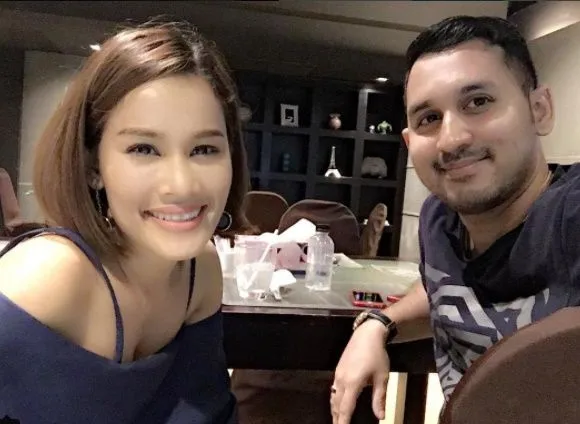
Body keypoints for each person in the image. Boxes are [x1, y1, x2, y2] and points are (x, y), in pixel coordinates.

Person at [332, 15, 580, 423]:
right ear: (410, 143)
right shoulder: (440, 220)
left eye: (478, 102)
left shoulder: (569, 217)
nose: (451, 139)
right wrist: (378, 323)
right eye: (429, 118)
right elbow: (443, 289)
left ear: (539, 110)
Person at [0, 20, 250, 423]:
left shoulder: (200, 270)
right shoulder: (50, 275)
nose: (181, 185)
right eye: (144, 149)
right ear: (92, 165)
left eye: (204, 149)